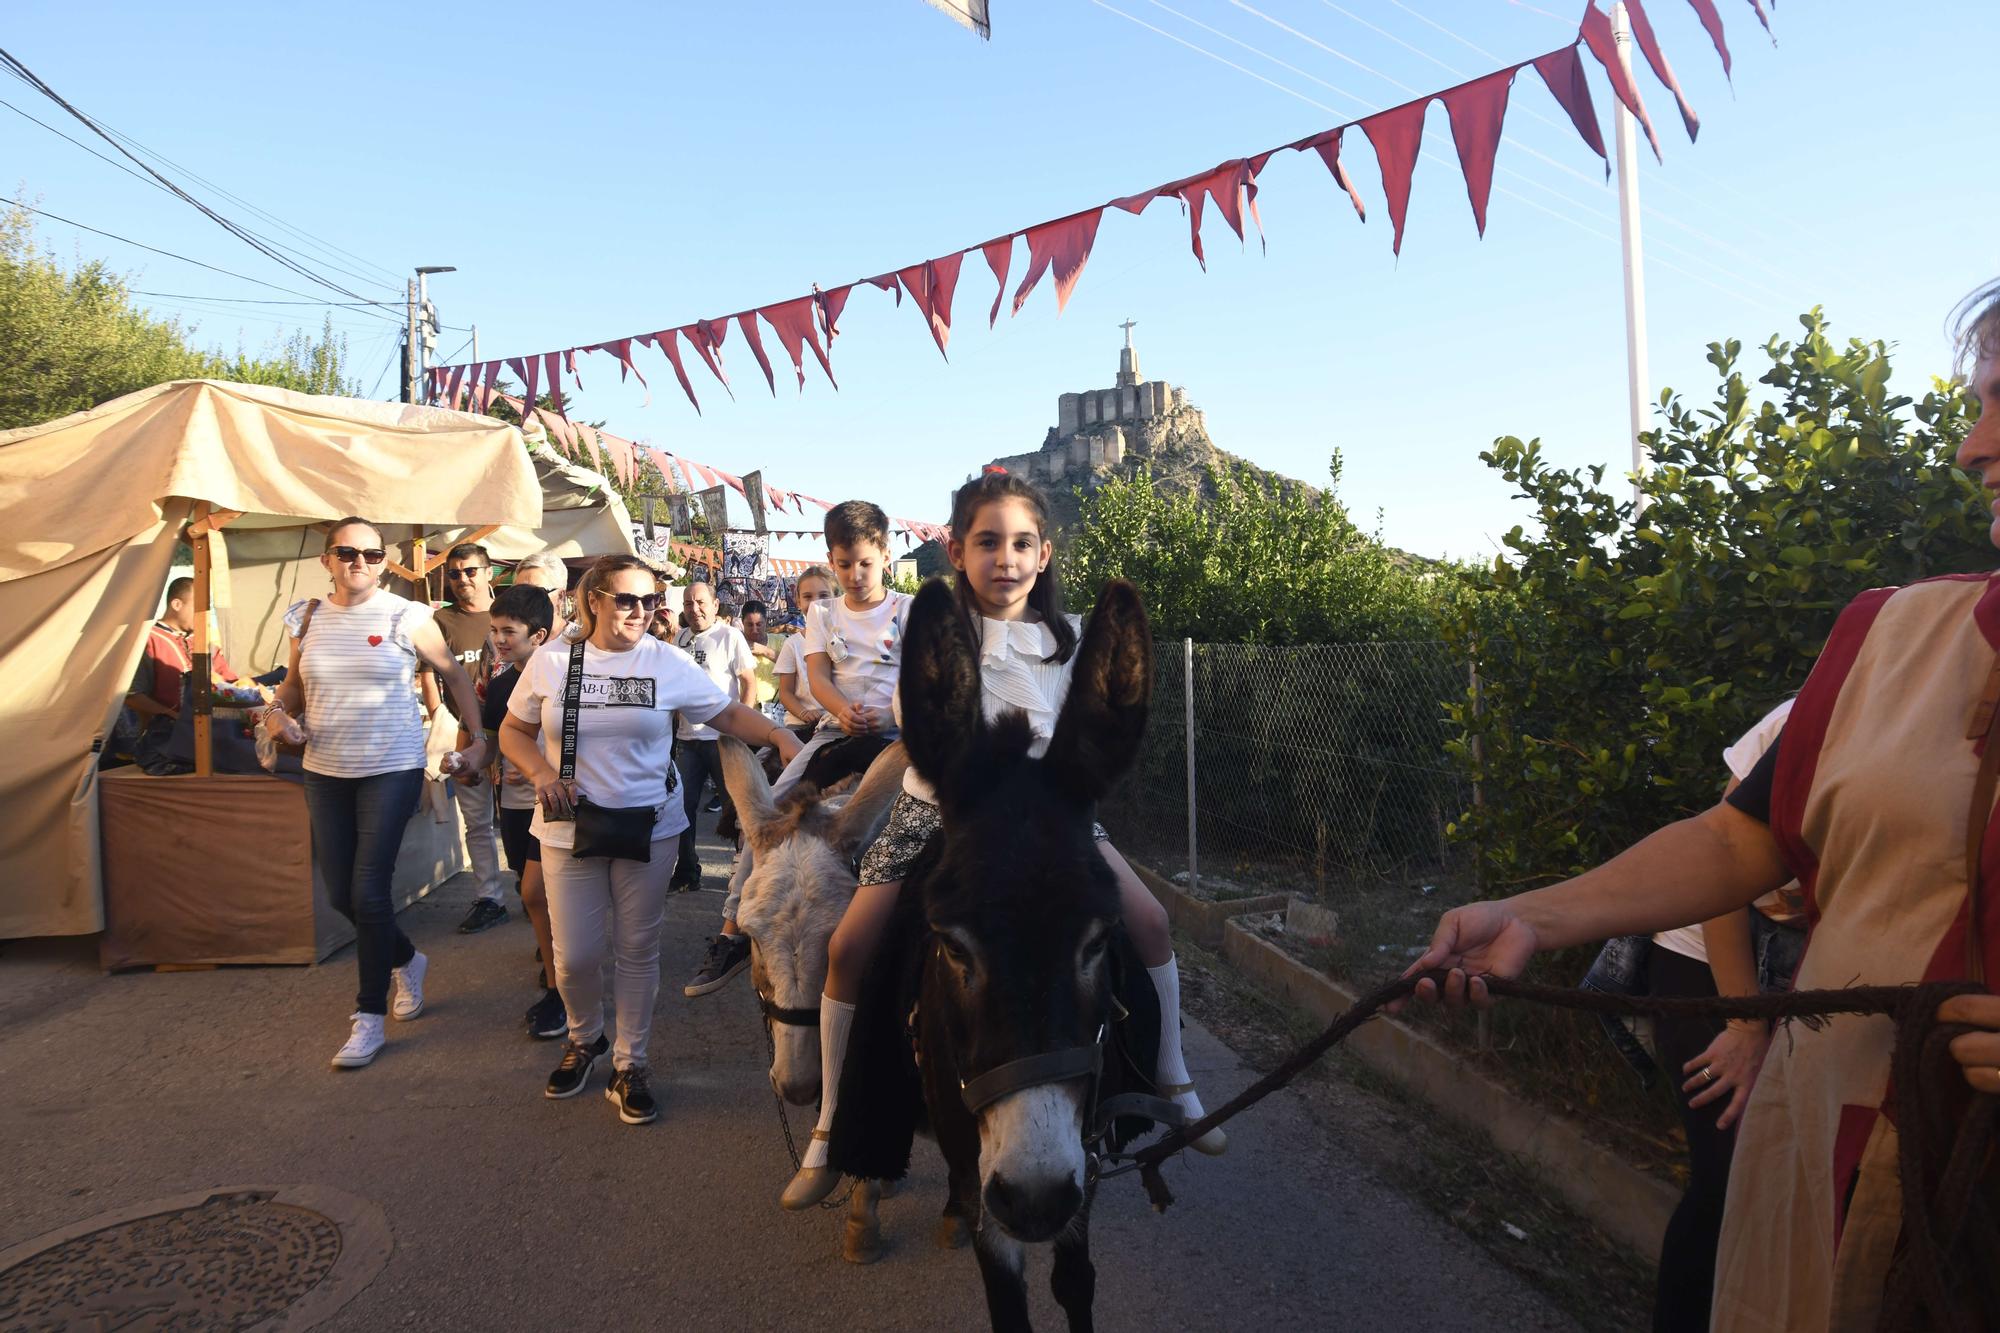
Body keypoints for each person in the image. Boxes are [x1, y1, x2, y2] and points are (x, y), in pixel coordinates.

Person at [1404, 284, 2000, 1333]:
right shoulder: (1891, 636)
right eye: (1979, 400)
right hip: (1830, 1172)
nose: (1969, 445)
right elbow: (1742, 833)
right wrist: (1534, 916)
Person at [781, 470, 1224, 1209]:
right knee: (849, 946)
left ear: (1044, 553)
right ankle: (831, 1123)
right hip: (936, 807)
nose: (1005, 557)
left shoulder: (1073, 639)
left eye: (1021, 542)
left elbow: (1084, 732)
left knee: (1148, 919)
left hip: (1052, 814)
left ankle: (1173, 1076)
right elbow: (917, 716)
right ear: (957, 550)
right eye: (987, 541)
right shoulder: (935, 634)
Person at [498, 554, 801, 1124]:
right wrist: (541, 775)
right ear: (594, 601)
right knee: (575, 957)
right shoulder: (555, 659)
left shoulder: (667, 660)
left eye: (650, 601)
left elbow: (728, 714)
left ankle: (630, 1063)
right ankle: (585, 1040)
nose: (642, 611)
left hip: (652, 825)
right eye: (627, 600)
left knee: (638, 950)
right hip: (567, 827)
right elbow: (514, 730)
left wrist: (781, 734)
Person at [1580, 699, 1804, 1333]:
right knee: (1730, 1176)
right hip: (1708, 953)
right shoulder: (1810, 715)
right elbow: (1722, 867)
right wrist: (1743, 1025)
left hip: (1805, 970)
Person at [266, 518, 486, 1070]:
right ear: (327, 560)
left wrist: (478, 738)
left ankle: (368, 1017)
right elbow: (293, 685)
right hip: (325, 769)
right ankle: (407, 958)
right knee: (342, 894)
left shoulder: (407, 615)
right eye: (346, 552)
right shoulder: (308, 615)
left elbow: (454, 675)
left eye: (370, 553)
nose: (358, 561)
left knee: (368, 892)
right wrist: (277, 714)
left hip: (391, 767)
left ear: (385, 562)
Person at [684, 503, 910, 997]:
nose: (854, 575)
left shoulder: (907, 610)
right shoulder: (822, 613)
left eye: (865, 564)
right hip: (834, 733)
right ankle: (732, 932)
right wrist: (842, 711)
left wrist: (893, 717)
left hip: (899, 737)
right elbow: (820, 676)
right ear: (832, 559)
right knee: (763, 820)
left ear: (886, 557)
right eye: (844, 564)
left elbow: (916, 679)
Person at [479, 584, 566, 1040]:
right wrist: (469, 763)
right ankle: (556, 965)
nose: (499, 639)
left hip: (557, 805)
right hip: (515, 806)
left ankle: (561, 988)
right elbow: (493, 743)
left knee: (539, 892)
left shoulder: (565, 671)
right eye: (494, 630)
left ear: (540, 635)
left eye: (509, 631)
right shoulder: (499, 685)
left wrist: (538, 770)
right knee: (530, 891)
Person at [422, 541, 509, 936]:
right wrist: (439, 713)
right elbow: (428, 672)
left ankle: (538, 888)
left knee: (525, 816)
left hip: (515, 733)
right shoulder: (440, 622)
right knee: (476, 821)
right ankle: (489, 897)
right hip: (465, 733)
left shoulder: (510, 613)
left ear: (489, 572)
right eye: (454, 574)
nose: (462, 580)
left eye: (470, 571)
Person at [670, 581, 758, 891]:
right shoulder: (679, 638)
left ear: (715, 605)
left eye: (700, 602)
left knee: (737, 811)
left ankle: (744, 876)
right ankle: (687, 871)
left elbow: (749, 682)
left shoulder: (730, 636)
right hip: (687, 740)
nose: (694, 609)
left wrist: (740, 728)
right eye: (688, 603)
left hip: (723, 740)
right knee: (681, 808)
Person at [113, 575, 247, 765]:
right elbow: (132, 695)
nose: (205, 614)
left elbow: (230, 683)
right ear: (177, 604)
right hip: (167, 739)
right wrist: (173, 716)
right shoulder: (148, 640)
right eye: (199, 607)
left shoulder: (204, 643)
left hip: (214, 732)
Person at [774, 565, 835, 741]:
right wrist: (804, 712)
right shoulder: (792, 644)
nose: (816, 603)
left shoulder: (845, 639)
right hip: (800, 725)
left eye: (823, 595)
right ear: (798, 602)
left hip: (836, 722)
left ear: (836, 598)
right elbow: (785, 692)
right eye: (808, 597)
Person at [510, 550, 572, 643]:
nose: (524, 599)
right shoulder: (504, 642)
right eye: (519, 591)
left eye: (536, 592)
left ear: (560, 596)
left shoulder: (583, 643)